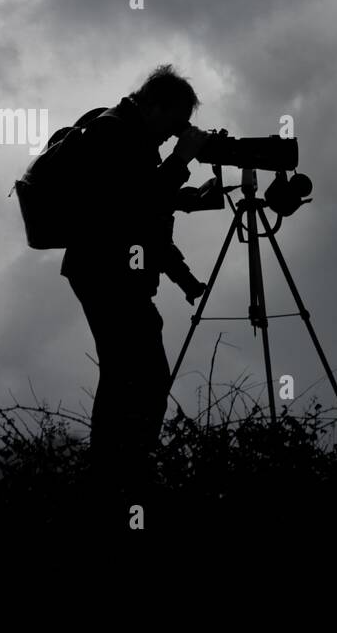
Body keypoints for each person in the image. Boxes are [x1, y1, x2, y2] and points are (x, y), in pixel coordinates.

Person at [61, 64, 225, 512]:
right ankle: (120, 478)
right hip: (103, 271)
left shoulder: (133, 139)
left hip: (112, 272)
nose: (175, 135)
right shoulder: (113, 134)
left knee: (129, 375)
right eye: (174, 124)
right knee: (140, 375)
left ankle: (115, 477)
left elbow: (148, 227)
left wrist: (184, 278)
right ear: (155, 106)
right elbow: (134, 207)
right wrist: (180, 162)